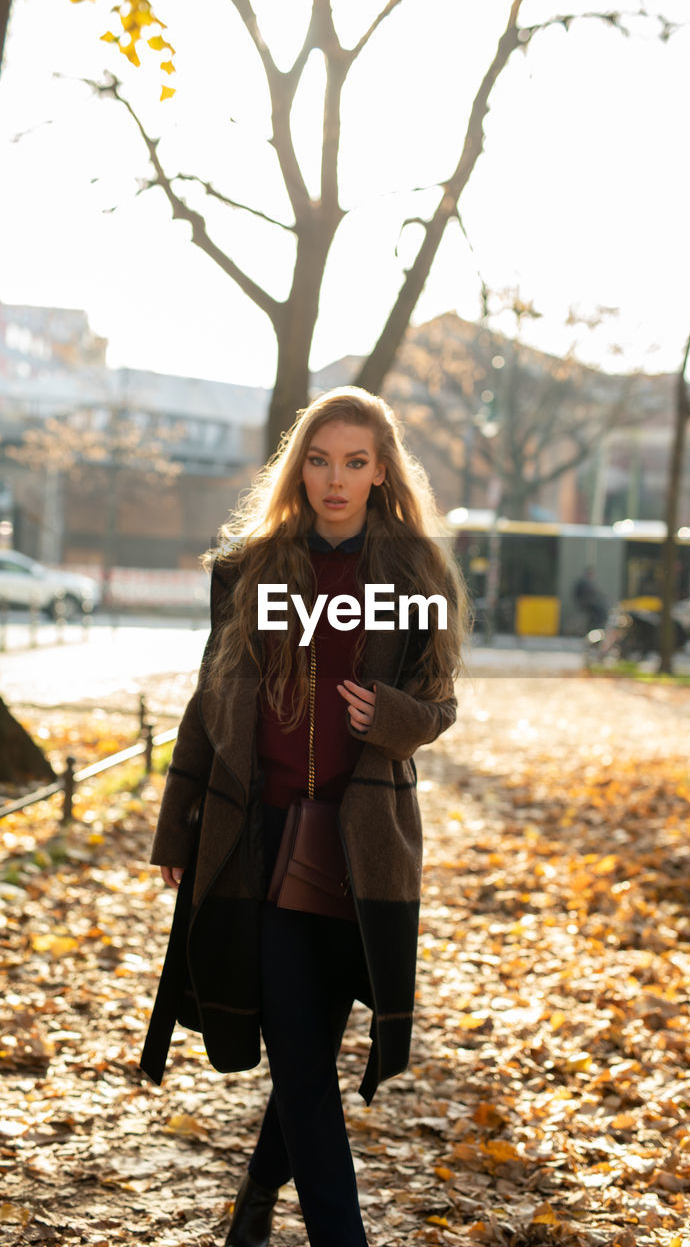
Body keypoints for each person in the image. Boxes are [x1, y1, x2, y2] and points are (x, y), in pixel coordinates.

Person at [140, 387, 467, 1247]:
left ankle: (252, 1204)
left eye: (355, 462)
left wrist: (386, 716)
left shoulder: (414, 573)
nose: (335, 479)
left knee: (310, 1054)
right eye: (319, 460)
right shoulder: (249, 570)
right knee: (295, 1047)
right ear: (300, 467)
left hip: (361, 850)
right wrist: (178, 831)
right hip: (260, 840)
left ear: (381, 471)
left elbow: (437, 705)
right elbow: (207, 707)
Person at [573, 565, 608, 633]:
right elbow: (592, 593)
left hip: (586, 602)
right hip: (587, 602)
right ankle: (596, 627)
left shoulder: (585, 581)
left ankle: (594, 626)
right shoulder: (585, 581)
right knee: (601, 611)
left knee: (599, 610)